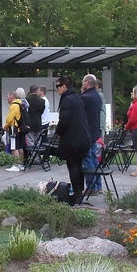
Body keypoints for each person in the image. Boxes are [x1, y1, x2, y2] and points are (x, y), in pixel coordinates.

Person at [54, 76, 91, 204]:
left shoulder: (67, 100)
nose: (57, 89)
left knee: (73, 166)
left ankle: (76, 194)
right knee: (78, 166)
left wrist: (58, 131)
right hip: (82, 138)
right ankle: (79, 191)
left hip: (73, 140)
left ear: (64, 86)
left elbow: (64, 121)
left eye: (58, 86)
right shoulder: (77, 98)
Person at [80, 74, 104, 191]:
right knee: (94, 158)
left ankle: (91, 187)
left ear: (87, 82)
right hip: (94, 131)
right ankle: (98, 185)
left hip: (86, 132)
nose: (82, 84)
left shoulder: (86, 97)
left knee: (88, 158)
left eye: (83, 82)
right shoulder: (97, 96)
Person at [4, 89, 27, 172]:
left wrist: (6, 126)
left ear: (12, 96)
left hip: (14, 128)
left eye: (8, 97)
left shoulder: (14, 105)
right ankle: (21, 164)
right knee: (20, 146)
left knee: (14, 147)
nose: (7, 98)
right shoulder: (21, 104)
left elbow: (10, 118)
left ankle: (15, 165)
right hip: (21, 128)